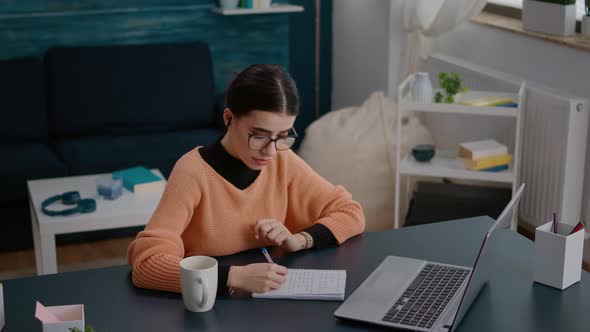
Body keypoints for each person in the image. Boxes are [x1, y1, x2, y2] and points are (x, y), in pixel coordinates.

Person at [127, 64, 365, 296]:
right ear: (229, 118)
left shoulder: (282, 158)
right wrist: (235, 277)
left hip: (267, 304)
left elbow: (350, 212)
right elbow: (147, 264)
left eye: (282, 136)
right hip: (207, 303)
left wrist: (298, 240)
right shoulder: (192, 172)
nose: (270, 151)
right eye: (259, 136)